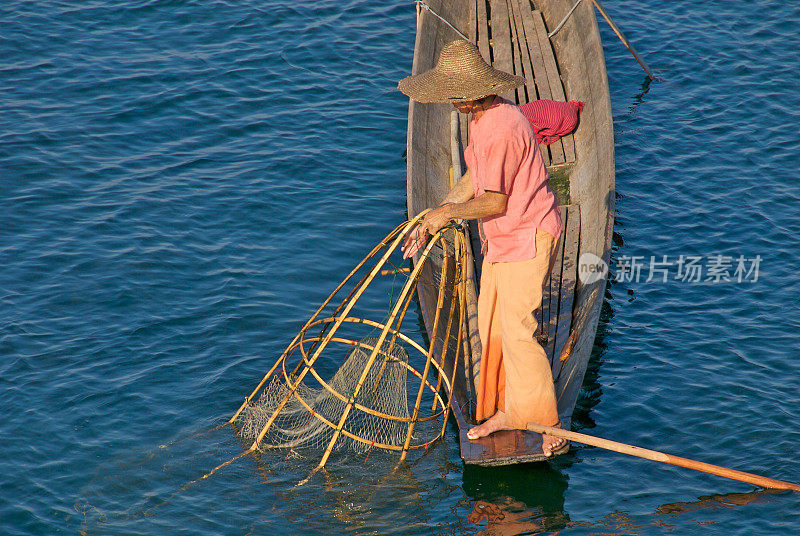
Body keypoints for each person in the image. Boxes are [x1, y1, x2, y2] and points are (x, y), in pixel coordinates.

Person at [397, 39, 567, 457]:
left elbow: (495, 201)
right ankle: (511, 411)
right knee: (493, 324)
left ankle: (549, 423)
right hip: (503, 237)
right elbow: (476, 178)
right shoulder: (486, 118)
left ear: (470, 93)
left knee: (518, 331)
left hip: (527, 233)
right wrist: (437, 213)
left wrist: (446, 217)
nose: (451, 100)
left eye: (454, 93)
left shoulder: (503, 127)